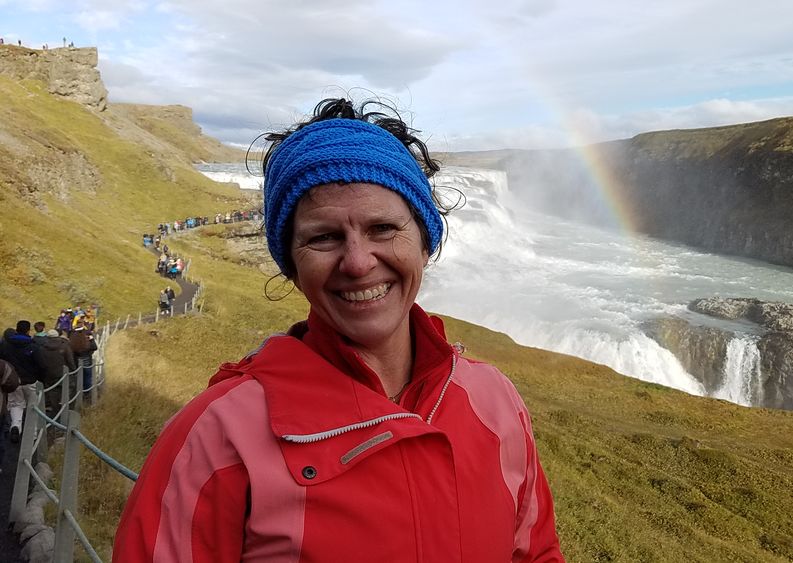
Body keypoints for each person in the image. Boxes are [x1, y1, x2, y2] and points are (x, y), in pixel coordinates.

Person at [113, 97, 564, 562]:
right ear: (290, 263)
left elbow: (536, 552)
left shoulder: (496, 401)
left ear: (426, 241)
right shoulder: (215, 437)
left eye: (383, 228)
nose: (358, 262)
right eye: (324, 237)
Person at [1, 322, 44, 443]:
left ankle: (15, 427)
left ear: (16, 329)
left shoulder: (6, 346)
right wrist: (40, 377)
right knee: (33, 406)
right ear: (28, 331)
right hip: (30, 381)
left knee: (16, 404)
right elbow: (40, 364)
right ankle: (33, 434)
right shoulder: (32, 346)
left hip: (13, 381)